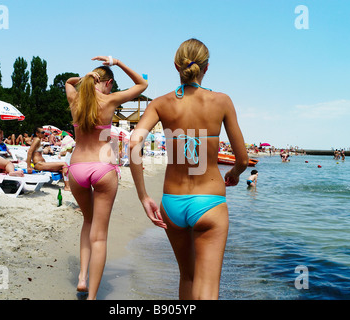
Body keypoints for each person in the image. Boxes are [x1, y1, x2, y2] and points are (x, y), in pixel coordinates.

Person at [129, 39, 248, 299]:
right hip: (210, 201)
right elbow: (242, 159)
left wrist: (143, 196)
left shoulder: (160, 103)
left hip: (172, 203)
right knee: (207, 287)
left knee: (187, 277)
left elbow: (134, 142)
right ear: (207, 68)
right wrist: (234, 174)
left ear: (176, 66)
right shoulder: (222, 101)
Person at [65, 56, 148, 300]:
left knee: (87, 223)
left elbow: (68, 82)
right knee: (99, 236)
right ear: (109, 83)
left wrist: (83, 80)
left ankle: (82, 278)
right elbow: (142, 85)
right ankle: (92, 297)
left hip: (77, 168)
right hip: (103, 168)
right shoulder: (111, 100)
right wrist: (118, 62)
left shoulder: (75, 98)